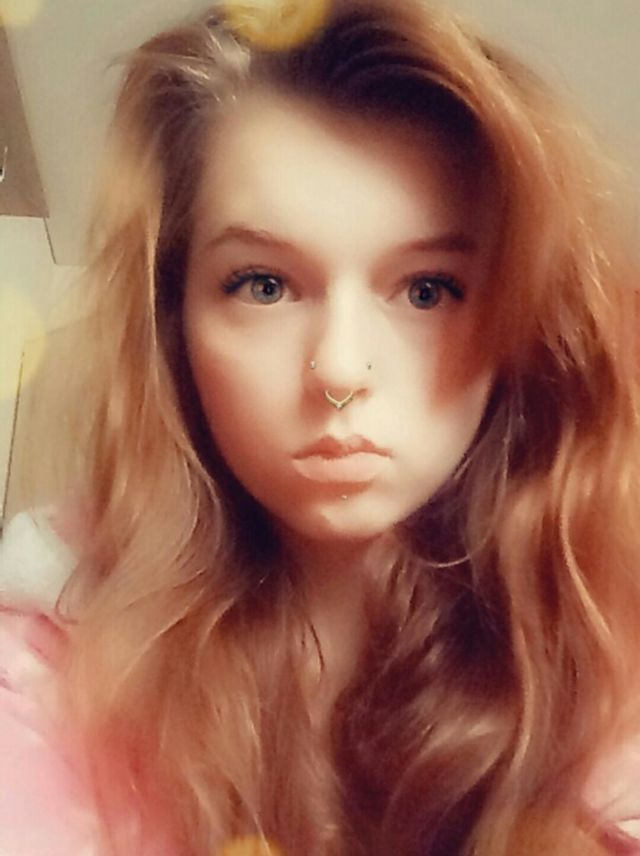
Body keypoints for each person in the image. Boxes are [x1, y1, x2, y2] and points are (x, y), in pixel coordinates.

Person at [1, 0, 640, 853]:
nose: (340, 370)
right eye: (263, 285)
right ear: (174, 324)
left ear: (520, 327)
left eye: (427, 290)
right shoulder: (52, 668)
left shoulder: (609, 655)